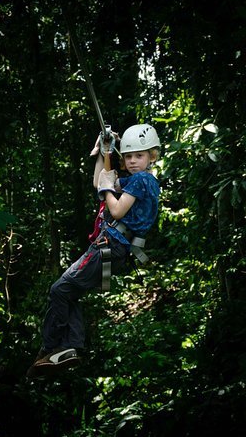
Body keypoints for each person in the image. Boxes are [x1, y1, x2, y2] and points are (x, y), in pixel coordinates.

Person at [26, 123, 161, 378]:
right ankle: (70, 347)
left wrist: (109, 186)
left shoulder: (143, 179)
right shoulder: (140, 180)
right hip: (114, 250)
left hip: (109, 246)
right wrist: (103, 152)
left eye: (139, 156)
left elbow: (116, 209)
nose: (132, 161)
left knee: (59, 290)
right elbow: (99, 183)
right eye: (129, 156)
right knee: (70, 294)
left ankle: (50, 347)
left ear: (152, 156)